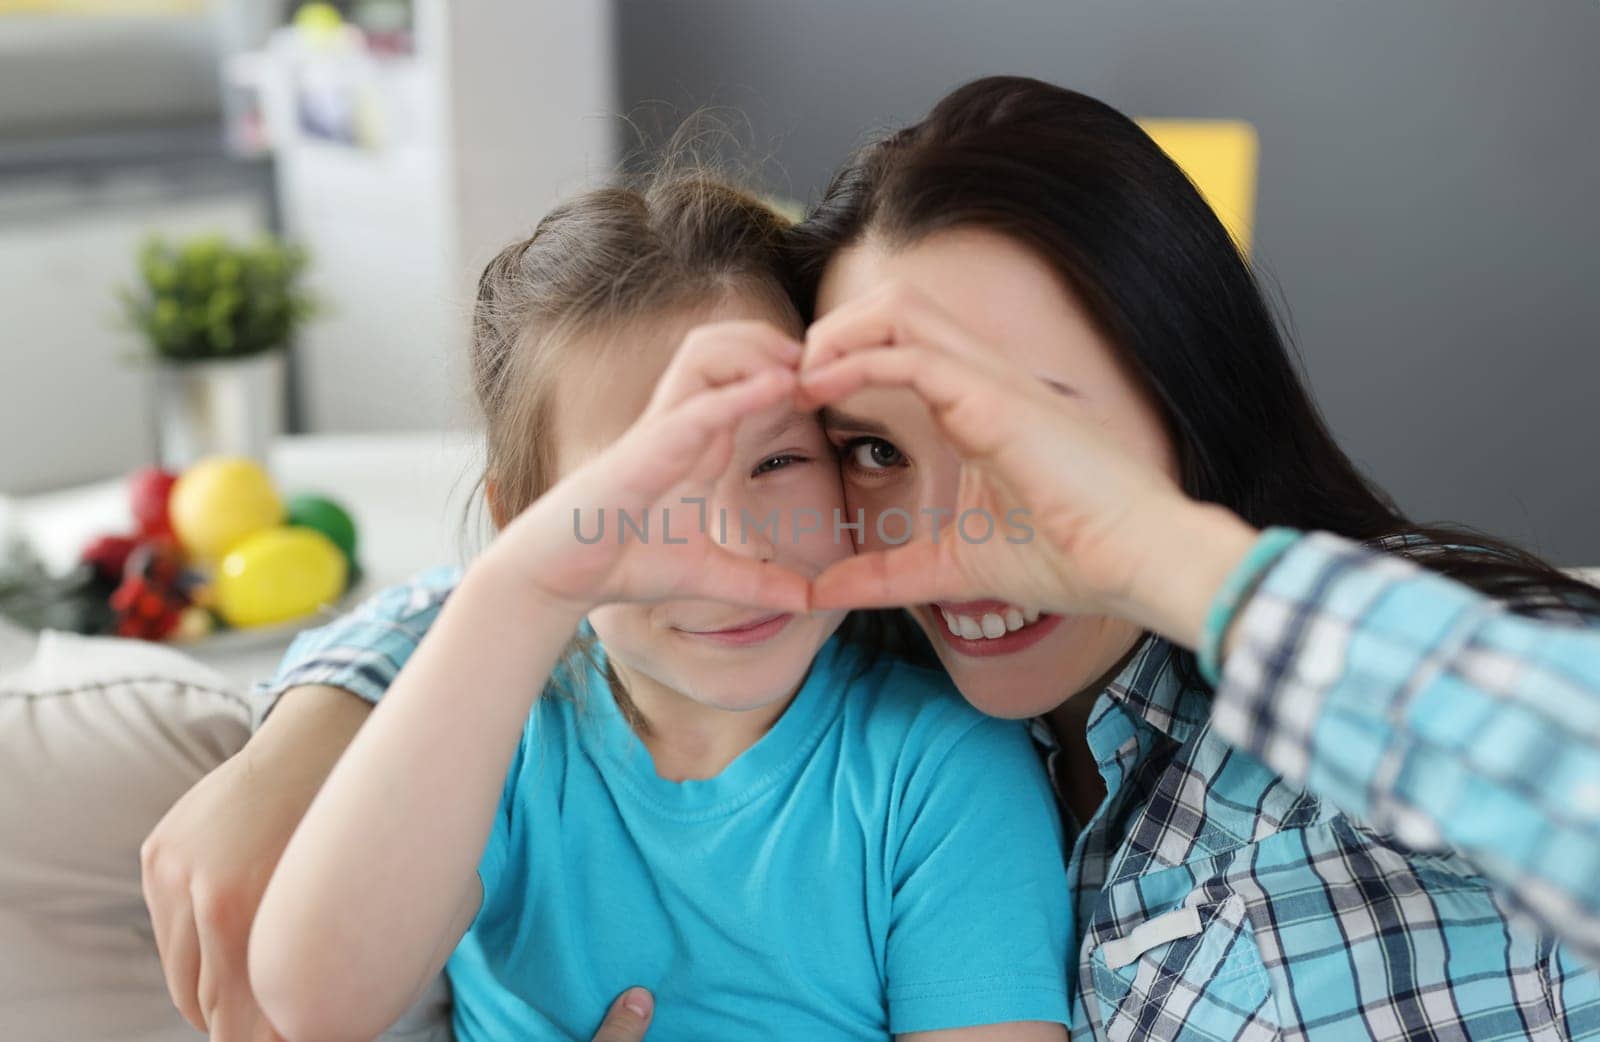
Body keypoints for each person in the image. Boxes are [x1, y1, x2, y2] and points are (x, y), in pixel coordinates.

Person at [143, 77, 1600, 1042]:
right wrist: (368, 682)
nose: (946, 528)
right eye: (878, 449)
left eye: (1022, 427)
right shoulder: (871, 627)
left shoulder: (1018, 774)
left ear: (1187, 396)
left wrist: (1174, 563)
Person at [245, 171, 1072, 1042]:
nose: (729, 548)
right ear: (524, 523)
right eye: (646, 488)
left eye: (780, 462)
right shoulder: (502, 743)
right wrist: (517, 588)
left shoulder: (939, 774)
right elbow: (315, 999)